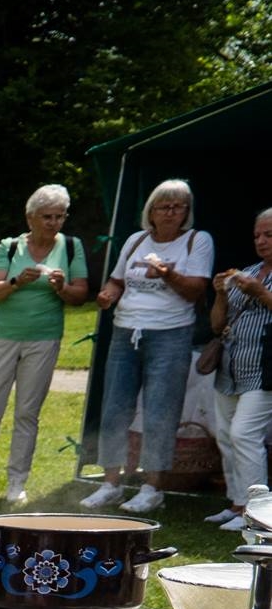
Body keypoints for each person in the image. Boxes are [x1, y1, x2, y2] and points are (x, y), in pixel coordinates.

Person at [84, 179, 215, 512]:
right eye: (164, 206)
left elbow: (197, 290)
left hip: (171, 333)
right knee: (115, 407)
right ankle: (110, 483)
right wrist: (108, 295)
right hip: (125, 330)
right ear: (151, 212)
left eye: (178, 207)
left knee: (160, 410)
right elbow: (117, 279)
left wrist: (168, 275)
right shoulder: (135, 240)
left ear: (187, 212)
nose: (171, 213)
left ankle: (152, 488)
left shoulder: (197, 241)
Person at [0, 184, 89, 502]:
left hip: (44, 337)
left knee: (27, 413)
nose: (53, 222)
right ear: (30, 217)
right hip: (4, 335)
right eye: (47, 216)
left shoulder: (71, 246)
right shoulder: (11, 246)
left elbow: (80, 295)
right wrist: (17, 282)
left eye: (60, 216)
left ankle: (16, 483)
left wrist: (61, 287)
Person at [203, 207, 272, 528]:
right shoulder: (247, 270)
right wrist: (219, 293)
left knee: (245, 434)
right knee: (226, 436)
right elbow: (218, 325)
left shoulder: (256, 281)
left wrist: (262, 294)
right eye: (257, 235)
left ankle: (256, 514)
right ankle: (236, 504)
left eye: (269, 235)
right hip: (231, 368)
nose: (261, 241)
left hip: (265, 371)